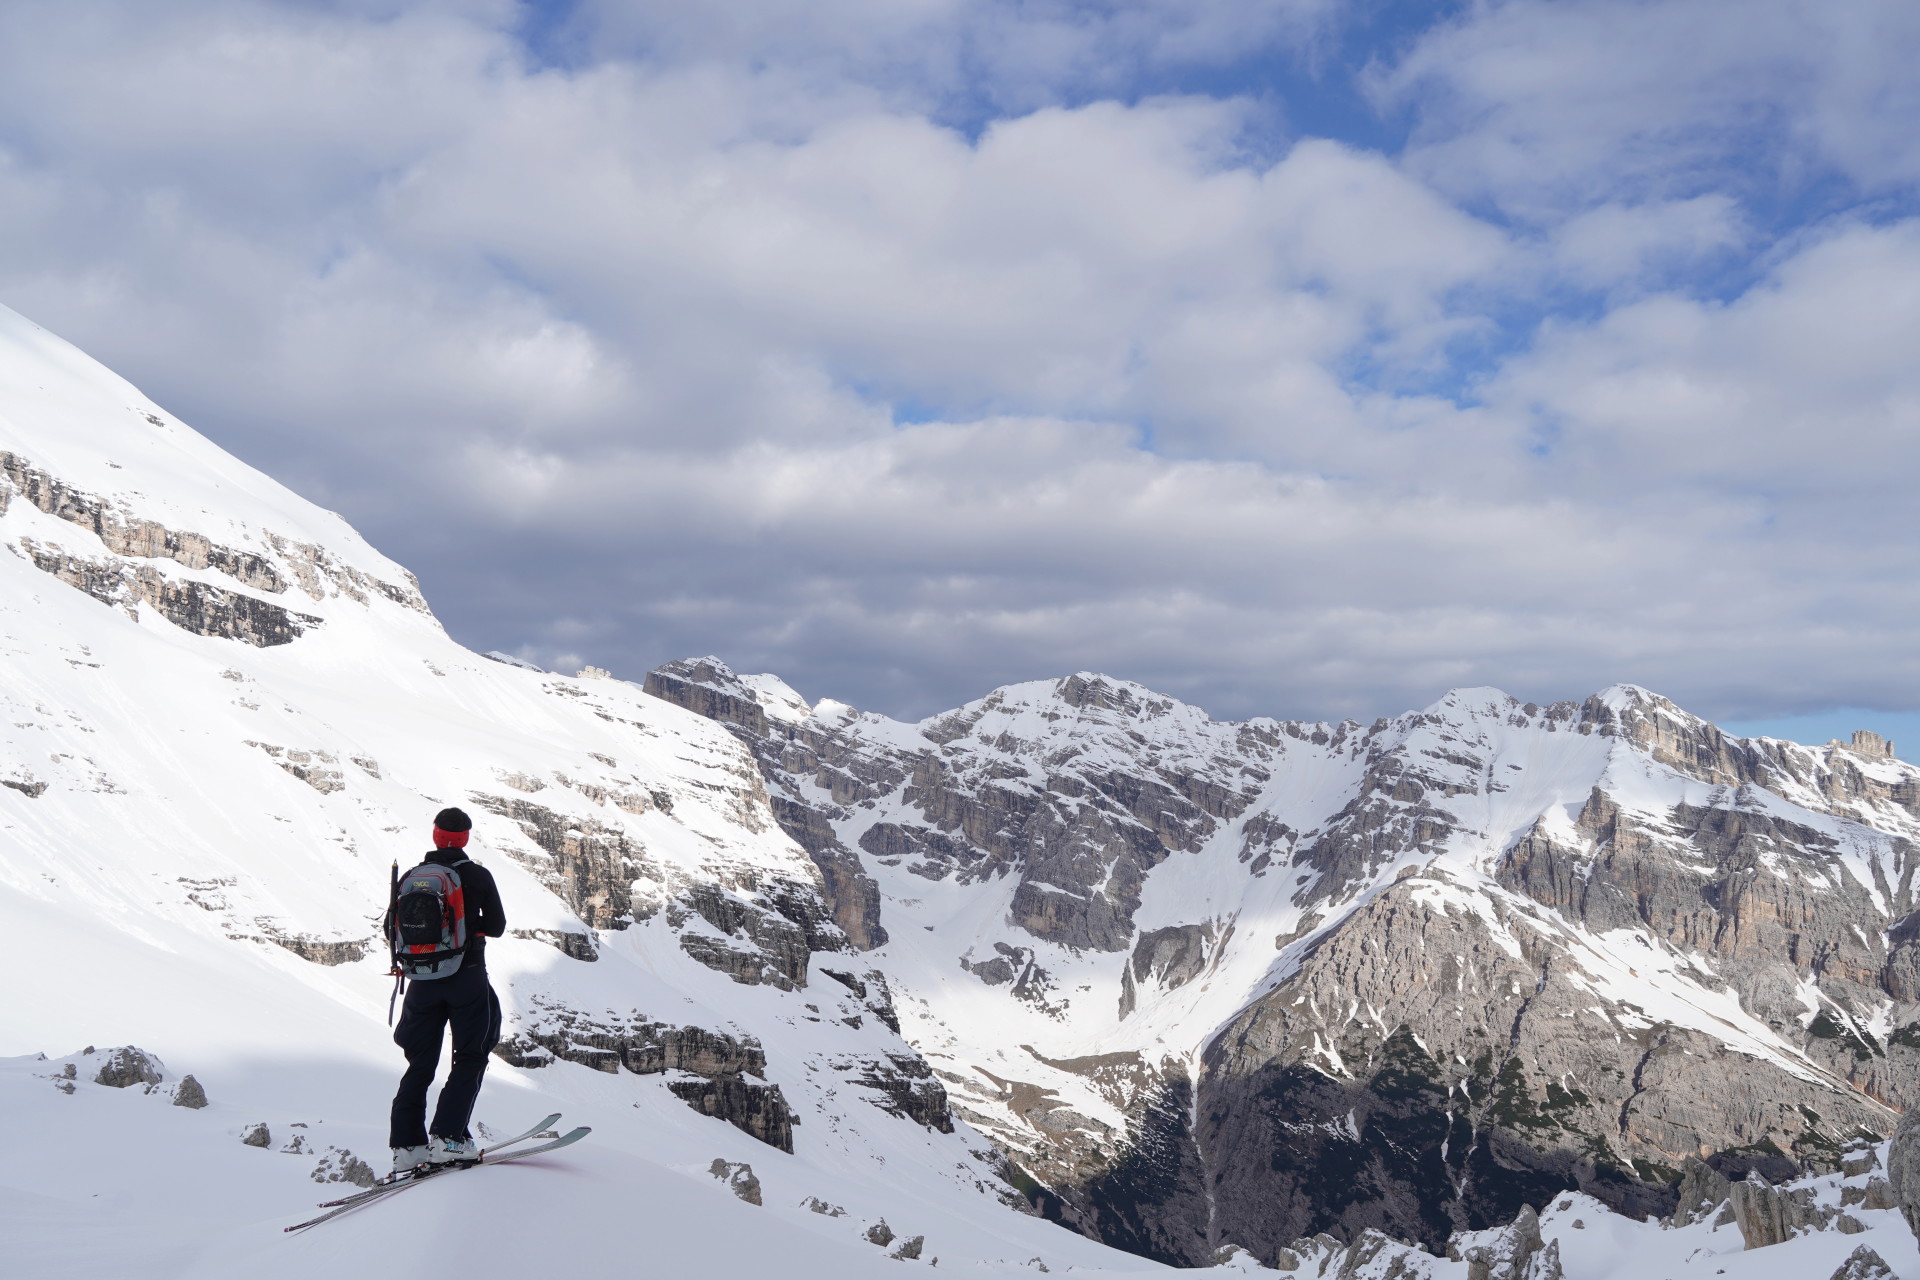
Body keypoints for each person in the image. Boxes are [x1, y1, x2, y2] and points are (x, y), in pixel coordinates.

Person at [386, 807, 506, 1175]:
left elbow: (392, 928)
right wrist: (468, 926)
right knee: (470, 1055)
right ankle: (448, 1138)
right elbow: (497, 926)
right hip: (466, 977)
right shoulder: (477, 876)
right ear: (465, 838)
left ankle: (407, 1147)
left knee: (420, 1063)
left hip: (421, 981)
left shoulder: (411, 877)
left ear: (435, 835)